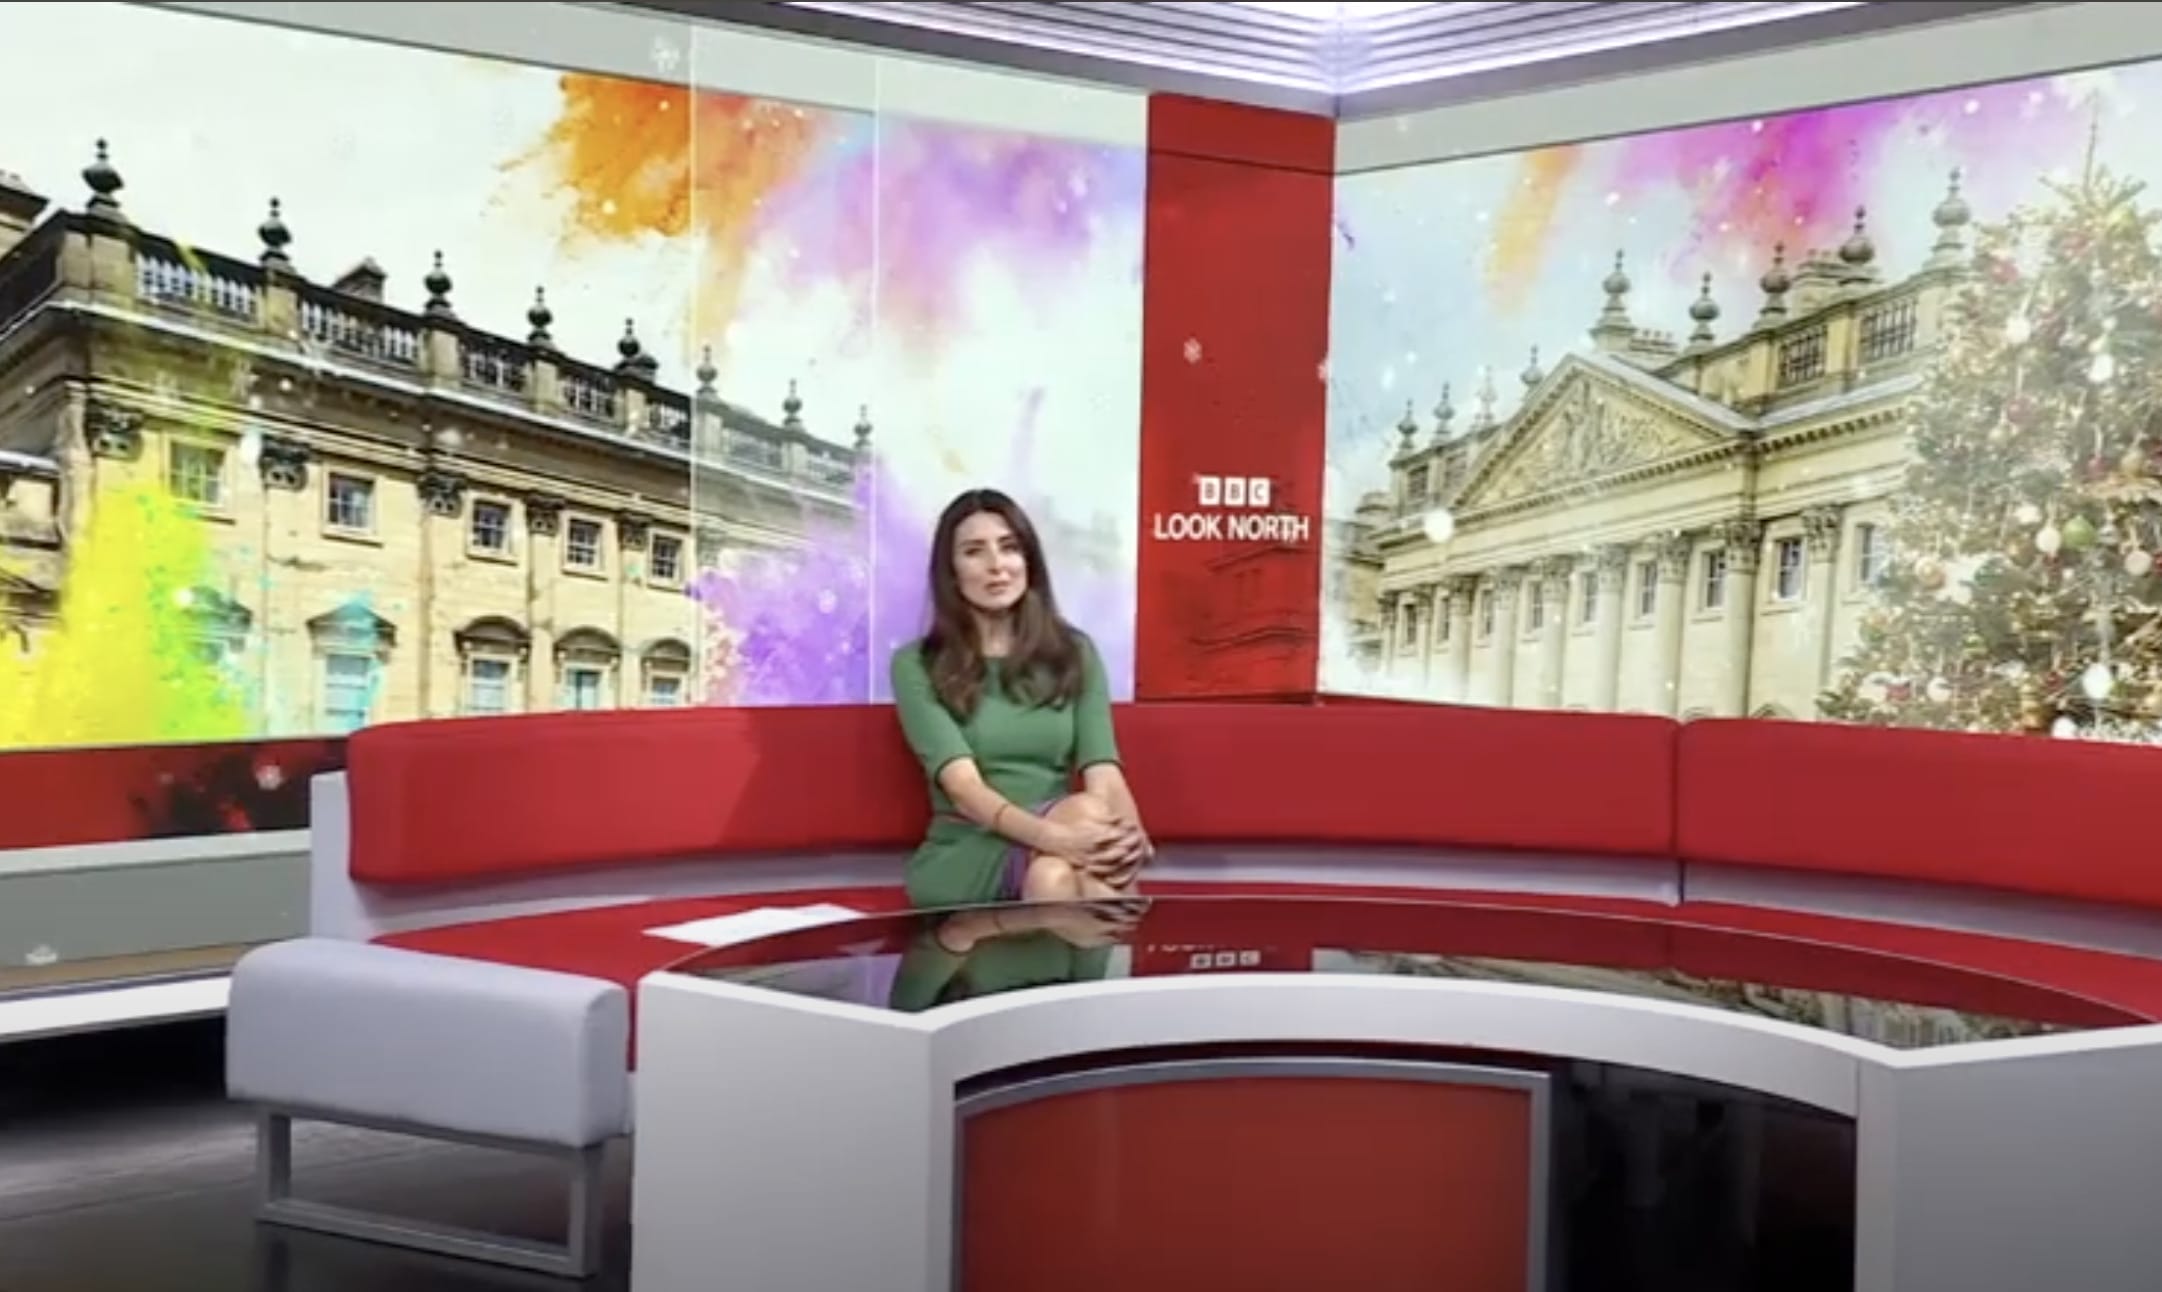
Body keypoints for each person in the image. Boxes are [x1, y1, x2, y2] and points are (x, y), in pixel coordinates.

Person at [889, 488, 1152, 935]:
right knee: (1080, 828)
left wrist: (1129, 835)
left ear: (1028, 561)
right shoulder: (916, 664)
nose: (997, 565)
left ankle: (1072, 983)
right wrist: (1061, 840)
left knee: (1055, 873)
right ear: (951, 573)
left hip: (1062, 846)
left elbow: (1103, 769)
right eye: (975, 552)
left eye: (1009, 548)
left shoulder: (1074, 653)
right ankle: (1105, 985)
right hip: (970, 846)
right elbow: (964, 791)